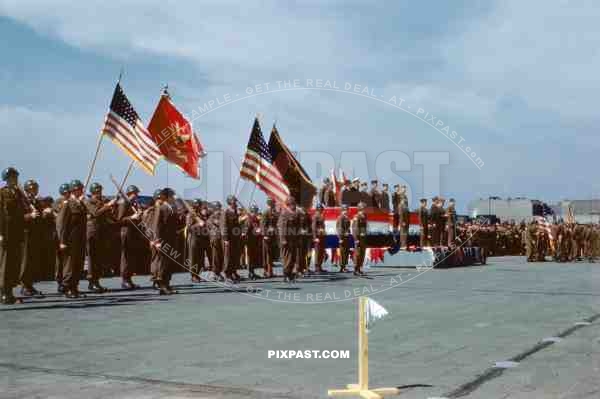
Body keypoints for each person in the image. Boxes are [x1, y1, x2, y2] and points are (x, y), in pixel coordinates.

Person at [0, 167, 34, 304]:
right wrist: (0, 233)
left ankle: (9, 292)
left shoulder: (18, 193)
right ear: (7, 179)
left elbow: (22, 210)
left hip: (16, 232)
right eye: (13, 177)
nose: (15, 179)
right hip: (7, 232)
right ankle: (3, 292)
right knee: (6, 264)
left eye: (16, 177)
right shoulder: (2, 193)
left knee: (14, 263)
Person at [57, 179, 88, 298]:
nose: (81, 190)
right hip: (70, 239)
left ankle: (74, 287)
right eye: (79, 189)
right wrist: (62, 241)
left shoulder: (80, 203)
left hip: (80, 239)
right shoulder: (67, 204)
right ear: (74, 190)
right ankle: (67, 287)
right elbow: (61, 224)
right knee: (69, 265)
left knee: (78, 264)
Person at [85, 183, 116, 293]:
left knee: (99, 258)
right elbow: (96, 213)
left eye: (100, 191)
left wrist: (110, 207)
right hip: (93, 231)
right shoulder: (89, 201)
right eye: (98, 191)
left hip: (101, 231)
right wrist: (107, 206)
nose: (100, 193)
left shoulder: (101, 201)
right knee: (93, 258)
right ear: (94, 191)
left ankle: (96, 281)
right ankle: (92, 281)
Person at [19, 179, 45, 296]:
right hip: (26, 233)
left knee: (33, 260)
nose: (34, 191)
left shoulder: (36, 202)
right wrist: (30, 215)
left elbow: (40, 216)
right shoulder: (22, 202)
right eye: (32, 189)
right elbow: (18, 217)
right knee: (26, 261)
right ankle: (24, 286)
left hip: (36, 234)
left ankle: (30, 285)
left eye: (35, 188)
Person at [151, 188, 178, 295]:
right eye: (172, 196)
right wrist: (157, 240)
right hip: (163, 240)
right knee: (163, 263)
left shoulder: (171, 208)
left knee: (169, 263)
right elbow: (156, 226)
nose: (174, 198)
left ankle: (167, 284)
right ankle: (162, 286)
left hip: (171, 239)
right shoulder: (161, 208)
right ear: (167, 197)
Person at [117, 185, 143, 289]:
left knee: (131, 257)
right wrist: (132, 217)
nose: (136, 195)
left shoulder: (132, 203)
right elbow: (120, 219)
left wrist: (139, 214)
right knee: (126, 257)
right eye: (135, 193)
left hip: (133, 231)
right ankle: (125, 279)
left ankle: (129, 278)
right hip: (126, 231)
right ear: (129, 193)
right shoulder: (124, 202)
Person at [186, 200, 211, 283]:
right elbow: (189, 227)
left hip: (202, 238)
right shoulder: (190, 215)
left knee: (200, 258)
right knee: (194, 257)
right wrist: (198, 224)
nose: (200, 207)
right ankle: (193, 275)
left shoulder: (200, 215)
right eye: (198, 205)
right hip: (194, 238)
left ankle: (198, 274)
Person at [53, 183, 71, 293]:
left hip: (69, 233)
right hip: (59, 233)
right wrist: (64, 204)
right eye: (66, 193)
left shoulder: (71, 201)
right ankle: (60, 281)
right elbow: (58, 214)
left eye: (68, 192)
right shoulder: (59, 201)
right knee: (59, 260)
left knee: (67, 260)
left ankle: (66, 281)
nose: (67, 194)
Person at [278, 196, 299, 282]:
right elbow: (282, 228)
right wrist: (283, 239)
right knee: (287, 257)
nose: (294, 206)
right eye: (292, 204)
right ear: (289, 204)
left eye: (294, 204)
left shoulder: (294, 214)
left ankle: (290, 273)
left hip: (293, 239)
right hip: (286, 240)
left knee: (293, 257)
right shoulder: (284, 214)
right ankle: (286, 274)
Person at [221, 195, 242, 282]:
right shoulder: (226, 212)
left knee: (235, 255)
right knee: (228, 256)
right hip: (228, 238)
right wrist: (225, 239)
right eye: (233, 202)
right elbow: (224, 226)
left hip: (235, 237)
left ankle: (233, 271)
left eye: (235, 202)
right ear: (230, 202)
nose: (235, 203)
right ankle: (227, 274)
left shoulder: (236, 212)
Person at [261, 198, 278, 278]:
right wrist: (265, 234)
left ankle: (270, 270)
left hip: (274, 235)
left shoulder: (275, 212)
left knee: (272, 254)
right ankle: (266, 271)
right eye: (273, 203)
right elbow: (263, 224)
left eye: (274, 203)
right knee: (267, 254)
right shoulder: (266, 212)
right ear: (269, 203)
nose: (274, 204)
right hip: (267, 236)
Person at [244, 204, 262, 280]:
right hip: (250, 240)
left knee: (254, 257)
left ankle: (253, 272)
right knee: (250, 257)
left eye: (256, 211)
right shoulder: (249, 219)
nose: (256, 212)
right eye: (255, 211)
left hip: (255, 240)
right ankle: (250, 273)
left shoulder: (255, 219)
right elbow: (246, 230)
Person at [208, 201, 224, 280]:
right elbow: (217, 223)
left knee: (221, 256)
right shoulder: (212, 217)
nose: (220, 208)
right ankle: (215, 273)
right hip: (215, 238)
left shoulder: (221, 215)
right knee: (216, 256)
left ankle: (219, 272)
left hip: (221, 238)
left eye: (219, 207)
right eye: (218, 207)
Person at [351, 202, 368, 276]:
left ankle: (359, 268)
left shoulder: (364, 216)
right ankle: (356, 269)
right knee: (357, 254)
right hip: (358, 238)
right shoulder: (357, 217)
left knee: (362, 254)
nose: (365, 210)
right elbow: (355, 228)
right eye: (364, 208)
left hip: (363, 238)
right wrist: (356, 239)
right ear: (361, 208)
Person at [312, 203, 327, 273]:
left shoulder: (321, 216)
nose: (321, 210)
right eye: (320, 209)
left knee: (321, 252)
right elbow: (314, 227)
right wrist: (315, 237)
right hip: (317, 236)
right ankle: (316, 266)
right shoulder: (315, 216)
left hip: (322, 236)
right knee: (318, 252)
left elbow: (322, 226)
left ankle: (320, 266)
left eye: (321, 209)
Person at [297, 206, 312, 275]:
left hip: (307, 237)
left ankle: (306, 268)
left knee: (308, 253)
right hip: (300, 237)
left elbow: (310, 225)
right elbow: (295, 226)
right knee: (300, 254)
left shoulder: (308, 215)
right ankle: (299, 269)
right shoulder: (297, 215)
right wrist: (300, 231)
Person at [336, 204, 351, 272]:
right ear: (342, 210)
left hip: (346, 237)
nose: (346, 211)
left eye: (347, 209)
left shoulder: (346, 217)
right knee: (342, 252)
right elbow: (339, 228)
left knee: (346, 252)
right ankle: (342, 267)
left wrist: (348, 232)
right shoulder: (341, 217)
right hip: (342, 237)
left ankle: (344, 266)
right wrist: (340, 238)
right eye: (345, 209)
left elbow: (347, 227)